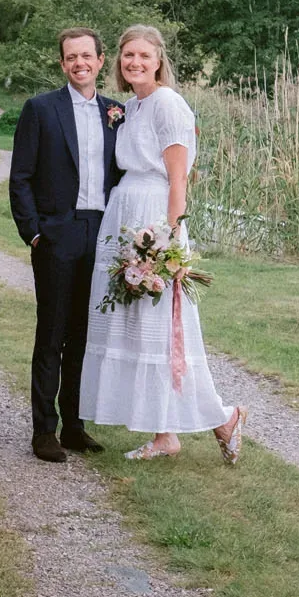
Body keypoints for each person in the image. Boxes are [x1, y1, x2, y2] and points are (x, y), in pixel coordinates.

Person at [78, 25, 246, 463]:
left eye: (143, 56)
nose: (135, 62)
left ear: (159, 61)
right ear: (118, 60)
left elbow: (178, 180)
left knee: (165, 332)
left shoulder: (168, 104)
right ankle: (167, 434)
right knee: (138, 330)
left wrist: (166, 242)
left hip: (154, 219)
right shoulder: (130, 107)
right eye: (128, 55)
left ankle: (221, 417)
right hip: (124, 215)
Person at [7, 27, 123, 462]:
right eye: (71, 57)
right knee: (51, 333)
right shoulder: (40, 109)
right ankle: (44, 431)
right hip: (57, 233)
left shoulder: (116, 112)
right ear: (62, 64)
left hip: (103, 232)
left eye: (86, 56)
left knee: (84, 335)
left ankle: (74, 426)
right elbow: (20, 178)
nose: (79, 64)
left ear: (99, 60)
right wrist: (34, 232)